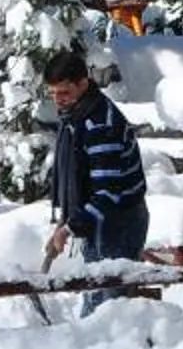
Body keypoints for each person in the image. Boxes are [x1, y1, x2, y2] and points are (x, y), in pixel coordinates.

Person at [41, 46, 149, 275]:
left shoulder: (100, 125)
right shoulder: (76, 115)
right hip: (98, 218)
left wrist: (69, 229)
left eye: (63, 93)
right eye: (52, 93)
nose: (57, 100)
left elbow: (108, 194)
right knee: (97, 301)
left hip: (119, 222)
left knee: (109, 305)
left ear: (83, 84)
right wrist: (67, 221)